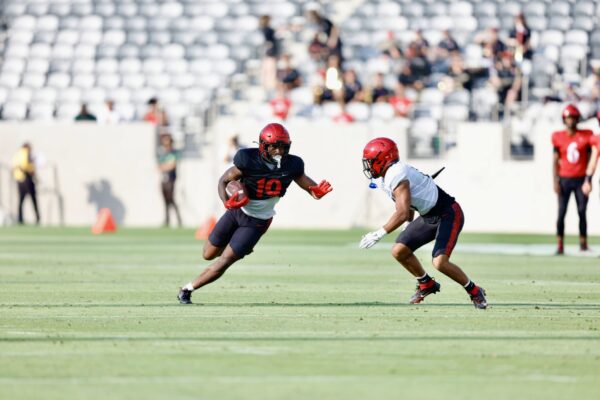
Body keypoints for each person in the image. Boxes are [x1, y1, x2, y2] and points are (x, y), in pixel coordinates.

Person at [177, 123, 333, 304]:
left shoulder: (293, 164)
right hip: (236, 211)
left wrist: (316, 192)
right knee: (208, 254)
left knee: (225, 260)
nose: (278, 151)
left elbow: (309, 187)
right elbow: (224, 180)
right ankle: (240, 244)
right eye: (273, 146)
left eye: (282, 146)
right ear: (262, 145)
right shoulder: (247, 158)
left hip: (257, 222)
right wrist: (226, 202)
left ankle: (187, 289)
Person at [359, 137, 487, 309]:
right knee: (399, 250)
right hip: (429, 216)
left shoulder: (396, 173)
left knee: (439, 262)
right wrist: (408, 225)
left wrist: (379, 233)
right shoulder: (385, 178)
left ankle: (474, 290)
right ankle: (426, 284)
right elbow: (406, 204)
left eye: (372, 161)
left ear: (384, 159)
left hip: (448, 212)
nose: (368, 165)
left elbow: (402, 212)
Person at [552, 104, 593, 254]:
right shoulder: (558, 136)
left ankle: (583, 243)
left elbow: (590, 158)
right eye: (569, 117)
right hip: (564, 179)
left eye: (574, 118)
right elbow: (555, 160)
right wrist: (555, 180)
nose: (571, 121)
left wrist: (589, 179)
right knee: (561, 212)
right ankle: (560, 244)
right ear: (564, 119)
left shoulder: (586, 135)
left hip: (581, 179)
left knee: (582, 211)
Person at [12, 142, 40, 225]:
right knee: (33, 199)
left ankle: (20, 218)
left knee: (21, 200)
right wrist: (32, 169)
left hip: (19, 179)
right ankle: (37, 217)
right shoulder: (25, 153)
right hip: (26, 179)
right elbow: (24, 165)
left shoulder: (17, 154)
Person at [158, 134, 182, 227]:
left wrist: (165, 166)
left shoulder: (174, 152)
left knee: (171, 199)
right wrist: (165, 166)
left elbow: (172, 165)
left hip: (171, 179)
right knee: (165, 200)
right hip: (164, 178)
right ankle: (167, 220)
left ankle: (179, 219)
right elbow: (159, 166)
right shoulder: (163, 153)